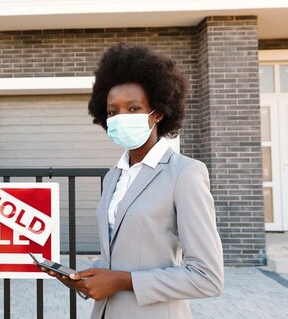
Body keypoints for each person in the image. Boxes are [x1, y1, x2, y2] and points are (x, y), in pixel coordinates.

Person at [38, 43, 224, 318]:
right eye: (113, 112)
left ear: (158, 112)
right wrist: (84, 279)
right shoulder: (115, 175)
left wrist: (123, 281)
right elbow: (118, 255)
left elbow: (207, 277)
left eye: (134, 108)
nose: (121, 118)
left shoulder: (185, 173)